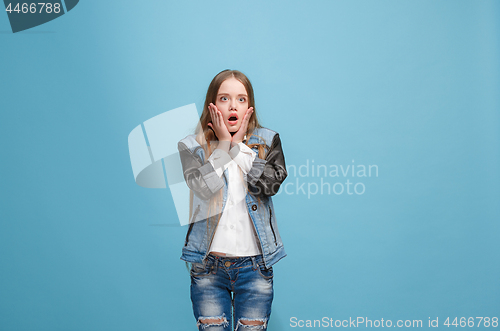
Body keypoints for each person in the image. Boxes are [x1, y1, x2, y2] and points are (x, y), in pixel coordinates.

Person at [177, 69, 287, 330]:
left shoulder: (268, 141)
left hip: (255, 267)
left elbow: (270, 184)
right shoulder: (192, 145)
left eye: (241, 98)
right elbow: (202, 188)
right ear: (212, 105)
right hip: (209, 269)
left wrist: (239, 149)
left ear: (249, 106)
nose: (233, 105)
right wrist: (224, 147)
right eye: (225, 98)